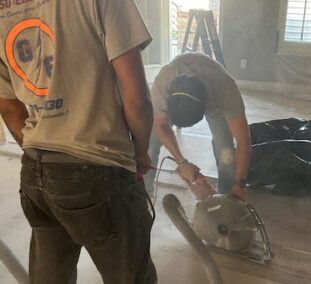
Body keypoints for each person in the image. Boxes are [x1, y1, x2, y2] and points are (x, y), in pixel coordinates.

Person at [0, 1, 157, 283]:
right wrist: (141, 150)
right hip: (98, 165)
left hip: (36, 171)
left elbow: (9, 108)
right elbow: (139, 99)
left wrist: (43, 152)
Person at [145, 53, 251, 201]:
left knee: (225, 150)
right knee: (150, 144)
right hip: (178, 84)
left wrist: (240, 184)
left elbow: (243, 140)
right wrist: (182, 162)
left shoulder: (226, 90)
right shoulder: (162, 85)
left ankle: (228, 199)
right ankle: (143, 194)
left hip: (215, 95)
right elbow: (161, 125)